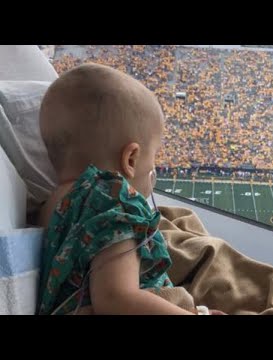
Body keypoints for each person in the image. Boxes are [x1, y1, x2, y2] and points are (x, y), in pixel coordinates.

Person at [37, 64, 226, 315]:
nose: (154, 165)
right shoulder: (116, 202)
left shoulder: (49, 205)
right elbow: (117, 299)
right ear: (131, 159)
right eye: (154, 155)